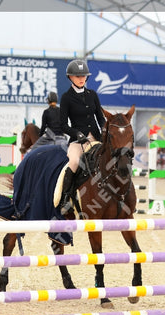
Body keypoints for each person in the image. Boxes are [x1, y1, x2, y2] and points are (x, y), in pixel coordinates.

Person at [58, 59, 106, 213]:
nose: (81, 78)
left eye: (83, 76)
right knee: (73, 161)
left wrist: (105, 130)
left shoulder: (93, 95)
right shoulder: (66, 97)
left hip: (96, 139)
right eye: (77, 76)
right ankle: (65, 198)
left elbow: (100, 117)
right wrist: (76, 133)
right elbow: (62, 124)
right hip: (78, 141)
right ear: (70, 77)